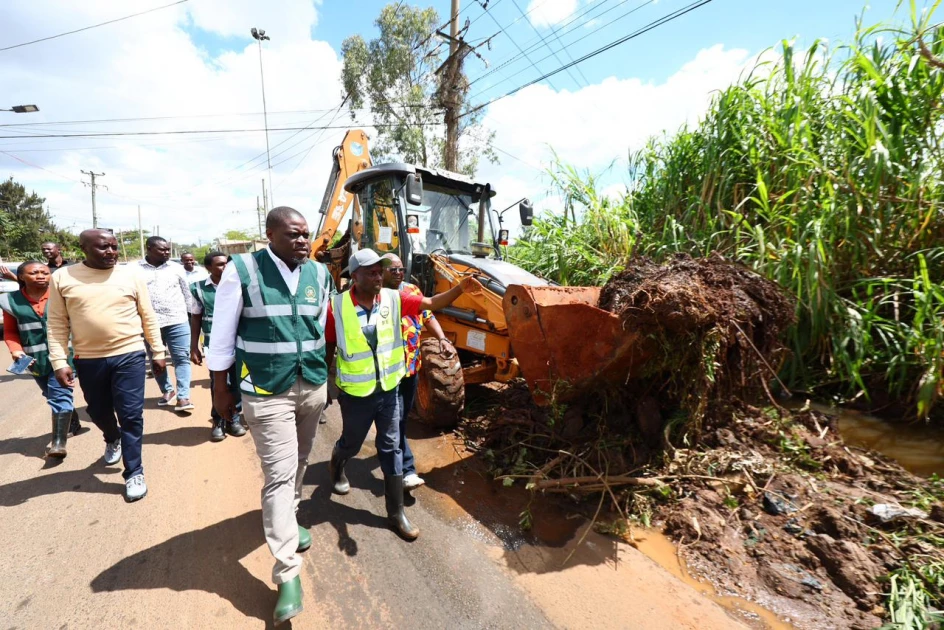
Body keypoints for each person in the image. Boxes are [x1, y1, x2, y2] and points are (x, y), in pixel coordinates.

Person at [207, 207, 333, 625]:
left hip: (311, 386)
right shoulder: (242, 270)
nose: (303, 241)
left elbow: (317, 329)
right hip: (266, 389)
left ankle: (291, 520)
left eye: (306, 235)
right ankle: (287, 572)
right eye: (293, 235)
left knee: (300, 462)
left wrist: (327, 383)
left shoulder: (320, 274)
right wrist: (219, 387)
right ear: (270, 234)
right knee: (278, 476)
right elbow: (222, 334)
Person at [324, 249, 481, 541]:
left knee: (391, 445)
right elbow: (329, 345)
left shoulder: (395, 298)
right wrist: (325, 382)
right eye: (371, 271)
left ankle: (396, 514)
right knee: (353, 442)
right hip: (356, 393)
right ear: (354, 275)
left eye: (379, 271)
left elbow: (432, 304)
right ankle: (338, 461)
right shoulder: (337, 306)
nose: (378, 275)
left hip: (389, 389)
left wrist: (461, 288)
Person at [47, 229, 167, 502]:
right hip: (88, 359)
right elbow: (56, 323)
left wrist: (157, 351)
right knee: (98, 410)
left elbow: (147, 316)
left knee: (131, 415)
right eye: (103, 247)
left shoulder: (131, 275)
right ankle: (112, 437)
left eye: (114, 246)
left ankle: (134, 470)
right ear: (84, 249)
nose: (111, 252)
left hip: (129, 354)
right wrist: (58, 360)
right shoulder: (63, 277)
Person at [380, 253, 454, 491]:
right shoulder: (378, 294)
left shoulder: (412, 289)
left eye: (401, 269)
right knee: (398, 420)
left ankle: (395, 460)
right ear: (380, 272)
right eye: (394, 270)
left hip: (411, 367)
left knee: (399, 420)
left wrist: (442, 338)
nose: (400, 273)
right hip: (388, 370)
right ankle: (406, 471)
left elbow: (427, 314)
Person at [0, 261, 81, 457]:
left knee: (59, 394)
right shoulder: (10, 301)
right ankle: (72, 420)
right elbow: (10, 331)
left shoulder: (62, 295)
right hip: (35, 359)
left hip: (63, 357)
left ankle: (58, 443)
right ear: (21, 277)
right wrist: (16, 351)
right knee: (50, 394)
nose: (41, 275)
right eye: (34, 272)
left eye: (45, 272)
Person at [189, 251, 246, 442]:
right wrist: (194, 346)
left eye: (227, 264)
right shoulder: (198, 289)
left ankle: (234, 419)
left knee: (237, 382)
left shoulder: (239, 285)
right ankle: (219, 420)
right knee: (219, 383)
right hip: (214, 345)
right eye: (220, 264)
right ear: (208, 268)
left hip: (239, 343)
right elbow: (195, 317)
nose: (225, 267)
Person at [138, 236, 195, 413]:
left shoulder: (176, 268)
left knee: (181, 358)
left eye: (168, 249)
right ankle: (167, 390)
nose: (167, 252)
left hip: (177, 320)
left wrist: (191, 316)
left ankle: (183, 396)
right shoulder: (134, 270)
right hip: (149, 324)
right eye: (162, 250)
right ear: (149, 249)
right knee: (157, 360)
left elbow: (187, 293)